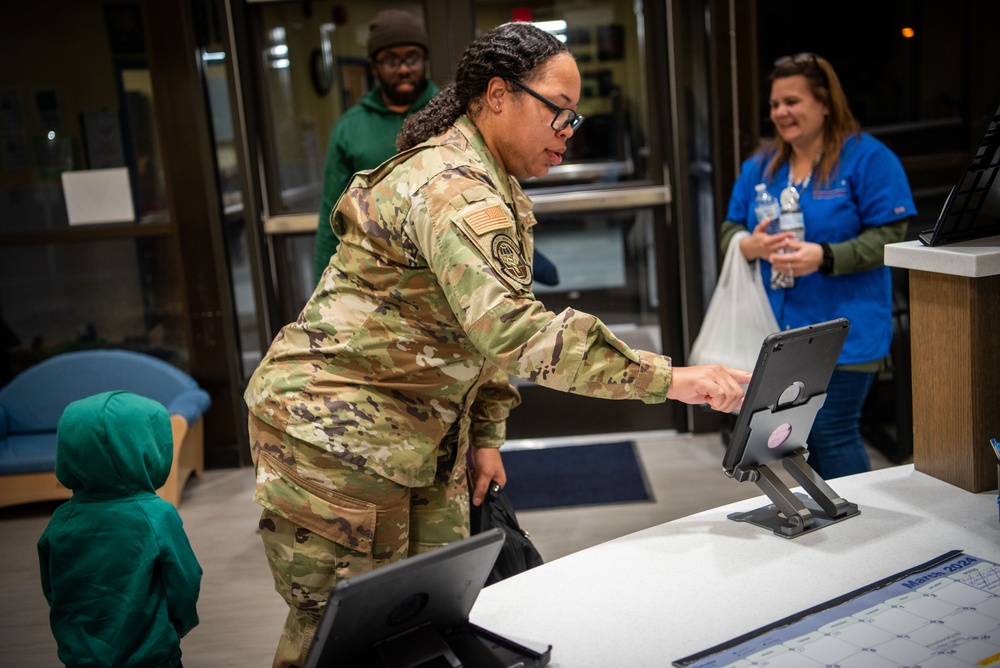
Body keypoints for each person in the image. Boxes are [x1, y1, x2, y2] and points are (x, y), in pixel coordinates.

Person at [246, 22, 749, 667]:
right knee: (340, 639)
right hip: (331, 435)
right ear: (496, 95)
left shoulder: (491, 182)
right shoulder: (453, 187)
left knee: (424, 623)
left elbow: (472, 335)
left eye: (576, 117)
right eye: (557, 113)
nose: (568, 133)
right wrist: (672, 379)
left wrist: (484, 432)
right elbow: (513, 330)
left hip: (414, 431)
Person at [719, 53, 916, 479]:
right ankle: (831, 525)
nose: (781, 112)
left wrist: (825, 256)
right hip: (780, 336)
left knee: (833, 432)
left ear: (825, 103)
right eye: (774, 104)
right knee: (794, 443)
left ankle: (855, 533)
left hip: (847, 331)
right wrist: (749, 244)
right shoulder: (760, 167)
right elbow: (730, 229)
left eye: (793, 101)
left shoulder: (867, 159)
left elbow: (892, 236)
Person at [37, 391, 202, 668]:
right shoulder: (156, 516)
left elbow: (53, 588)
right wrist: (178, 626)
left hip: (80, 656)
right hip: (151, 654)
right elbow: (185, 579)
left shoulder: (62, 519)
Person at [313, 9, 440, 283]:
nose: (404, 68)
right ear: (374, 66)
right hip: (378, 280)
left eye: (412, 58)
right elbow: (331, 220)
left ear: (425, 60)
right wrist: (321, 285)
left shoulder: (453, 113)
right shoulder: (349, 129)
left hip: (445, 270)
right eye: (391, 60)